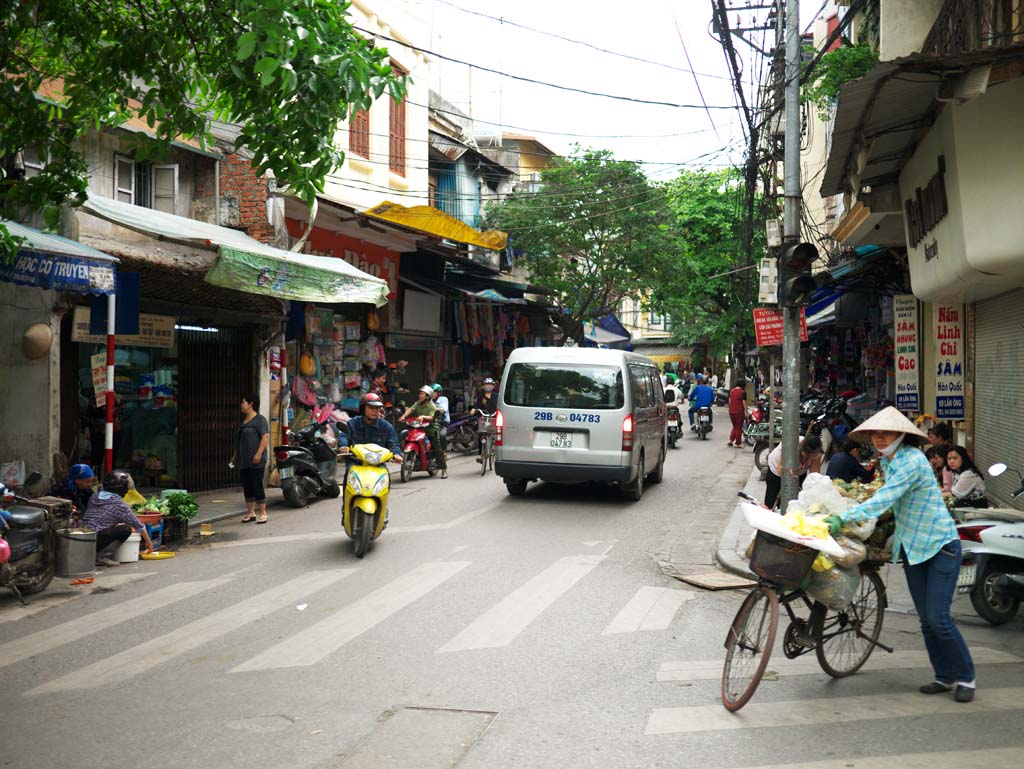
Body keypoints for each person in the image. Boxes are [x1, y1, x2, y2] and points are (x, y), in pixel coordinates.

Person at [822, 407, 976, 703]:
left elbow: (885, 497)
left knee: (938, 617)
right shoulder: (888, 461)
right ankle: (943, 676)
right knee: (925, 620)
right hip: (913, 548)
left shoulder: (912, 460)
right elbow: (883, 493)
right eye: (875, 434)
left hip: (941, 546)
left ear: (901, 435)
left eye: (886, 434)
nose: (880, 439)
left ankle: (966, 676)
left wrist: (847, 517)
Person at [83, 470, 153, 566]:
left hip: (84, 535)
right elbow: (139, 525)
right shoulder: (119, 504)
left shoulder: (95, 496)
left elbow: (103, 516)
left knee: (117, 525)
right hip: (96, 538)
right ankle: (102, 557)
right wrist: (149, 544)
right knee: (125, 529)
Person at [231, 393, 270, 524]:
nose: (241, 405)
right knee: (247, 485)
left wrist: (258, 454)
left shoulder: (260, 420)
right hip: (244, 460)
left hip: (257, 459)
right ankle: (251, 513)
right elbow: (239, 442)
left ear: (251, 404)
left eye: (243, 402)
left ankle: (263, 513)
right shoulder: (243, 423)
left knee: (257, 484)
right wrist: (235, 456)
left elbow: (265, 437)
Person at [339, 393, 403, 466]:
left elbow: (393, 443)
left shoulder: (386, 426)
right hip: (356, 462)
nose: (374, 411)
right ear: (363, 409)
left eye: (377, 408)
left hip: (378, 464)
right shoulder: (353, 423)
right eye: (370, 407)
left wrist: (396, 454)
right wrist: (343, 446)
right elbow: (344, 435)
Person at [764, 435, 823, 509]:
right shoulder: (791, 445)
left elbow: (815, 475)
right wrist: (789, 475)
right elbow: (780, 470)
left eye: (814, 456)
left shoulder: (817, 452)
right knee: (772, 503)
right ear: (803, 450)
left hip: (798, 473)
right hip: (776, 472)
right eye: (809, 456)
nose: (811, 458)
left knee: (796, 502)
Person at [401, 386, 447, 478]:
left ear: (427, 396)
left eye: (422, 394)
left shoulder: (431, 405)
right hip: (419, 428)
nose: (420, 395)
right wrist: (404, 416)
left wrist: (423, 417)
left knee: (437, 449)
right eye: (419, 393)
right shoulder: (418, 403)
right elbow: (411, 409)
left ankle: (443, 470)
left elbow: (432, 417)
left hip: (431, 429)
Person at [470, 377, 498, 463]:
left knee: (496, 435)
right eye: (486, 385)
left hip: (493, 418)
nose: (488, 386)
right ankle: (481, 454)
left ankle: (493, 447)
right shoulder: (480, 397)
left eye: (490, 385)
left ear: (493, 386)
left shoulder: (497, 396)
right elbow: (476, 406)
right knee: (481, 435)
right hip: (483, 419)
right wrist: (474, 409)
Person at [430, 384, 451, 453]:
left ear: (439, 393)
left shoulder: (444, 399)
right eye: (431, 393)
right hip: (432, 421)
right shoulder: (430, 400)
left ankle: (444, 451)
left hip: (443, 422)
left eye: (434, 393)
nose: (432, 394)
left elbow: (442, 410)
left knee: (442, 435)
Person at [726, 378, 747, 448]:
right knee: (739, 427)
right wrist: (746, 411)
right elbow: (744, 403)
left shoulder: (731, 391)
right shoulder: (743, 392)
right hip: (739, 412)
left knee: (735, 426)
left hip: (731, 411)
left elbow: (729, 401)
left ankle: (731, 440)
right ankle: (738, 443)